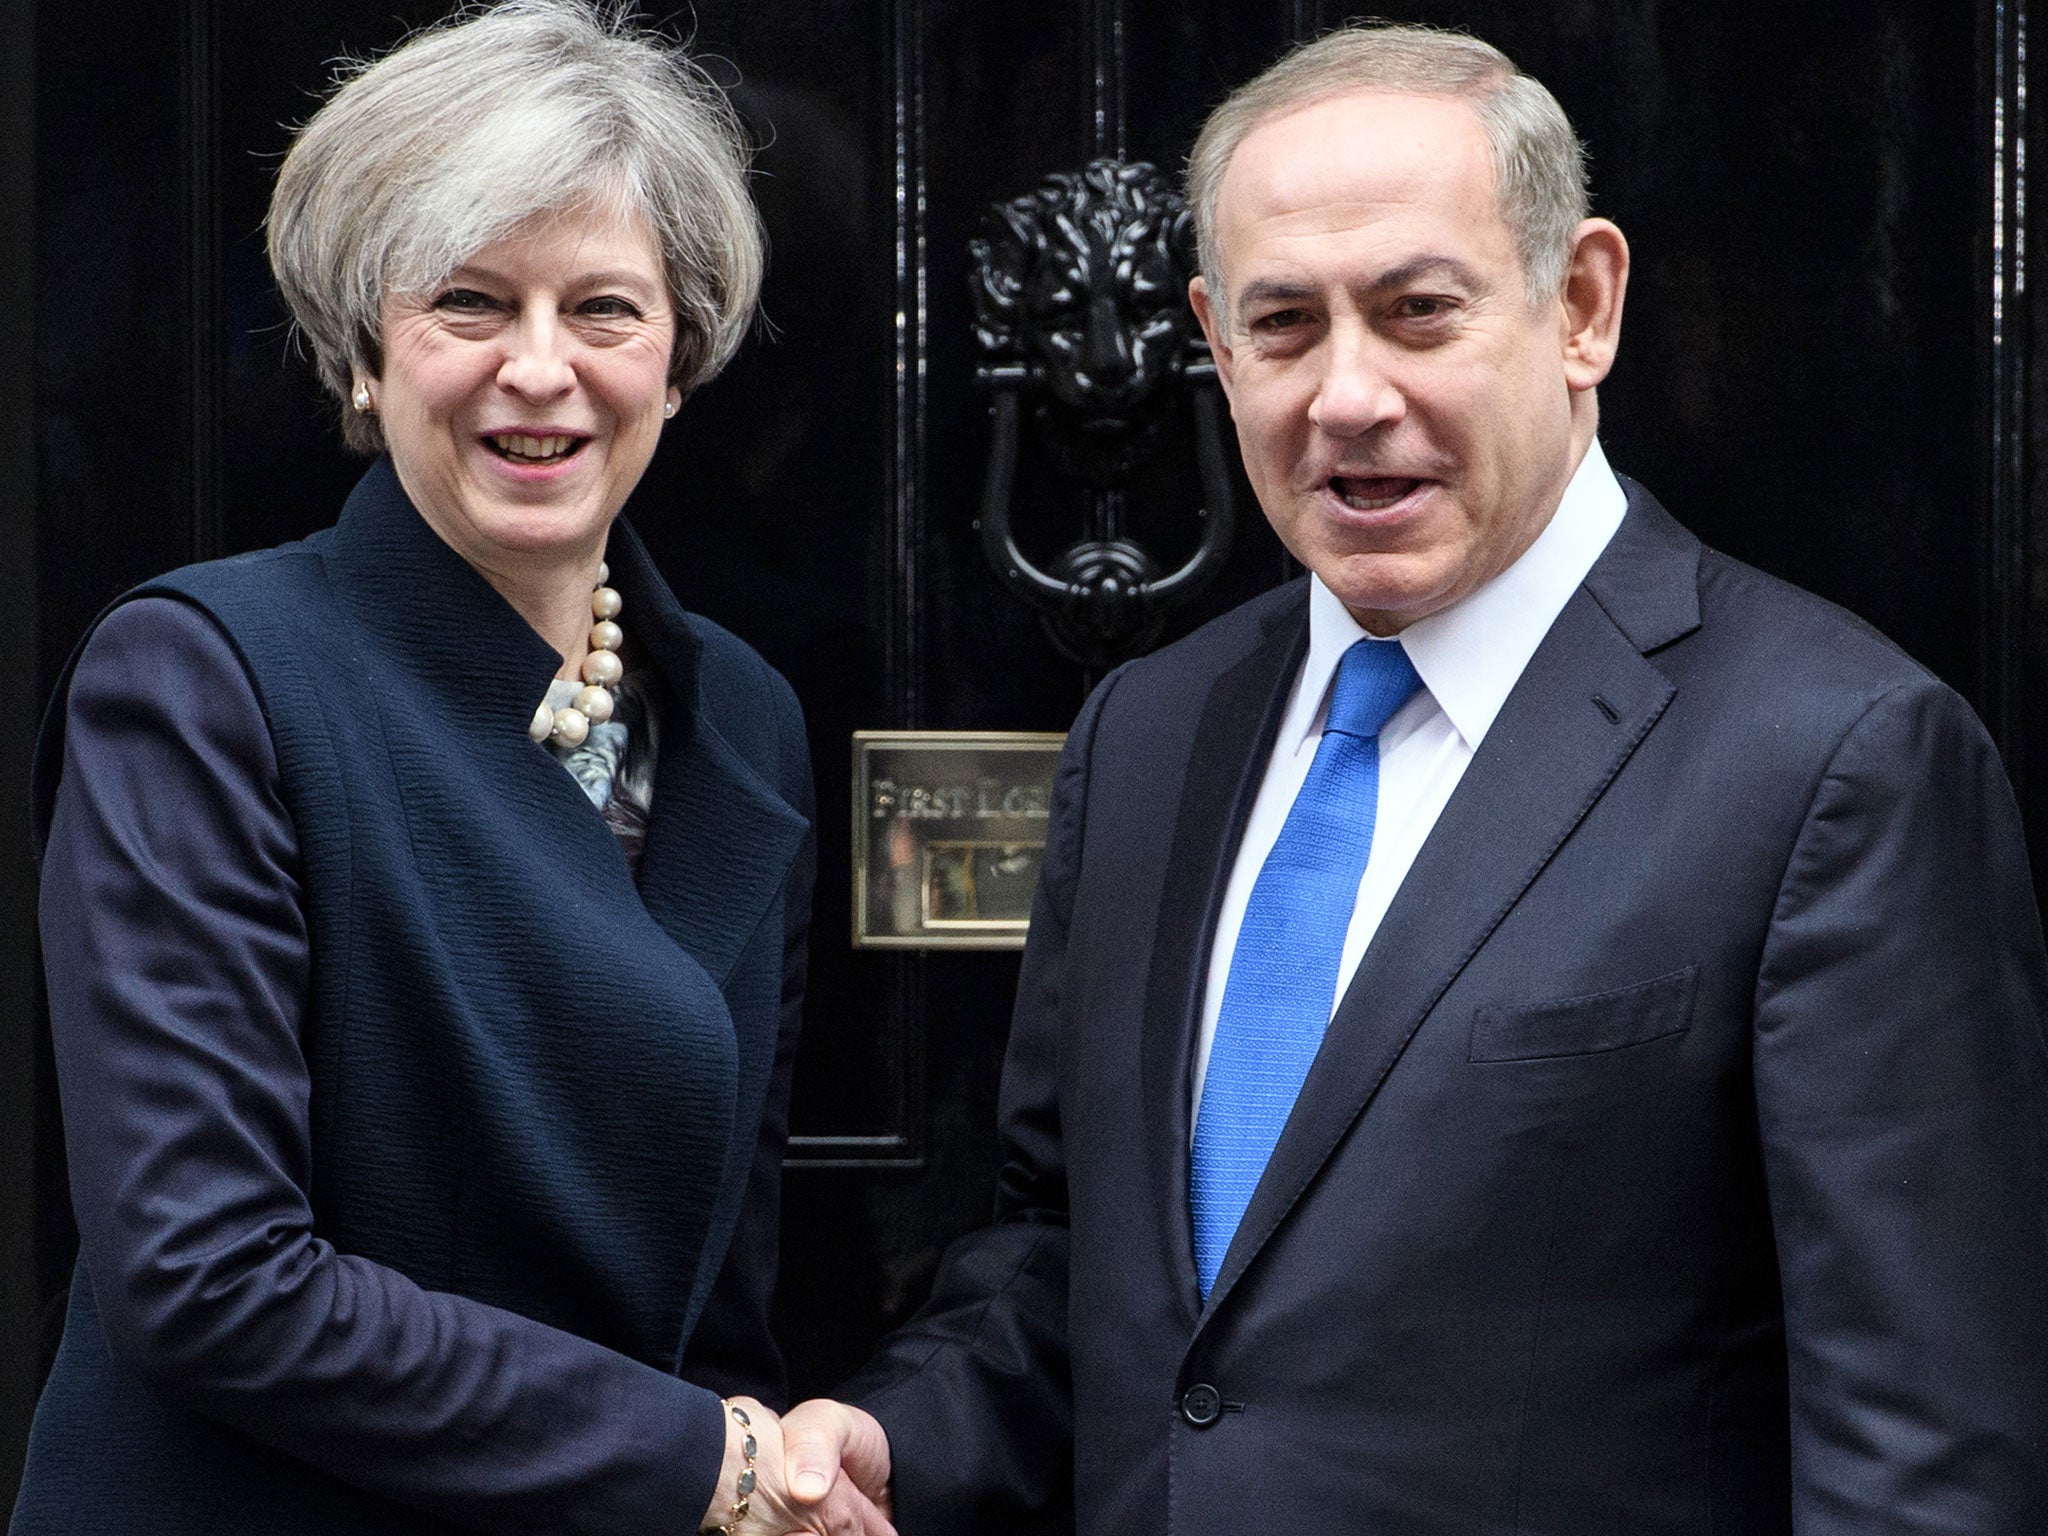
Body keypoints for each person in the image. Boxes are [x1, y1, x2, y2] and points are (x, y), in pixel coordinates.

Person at [778, 22, 2048, 1533]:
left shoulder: (1837, 758)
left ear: (1580, 305)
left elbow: (1919, 1458)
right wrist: (892, 1436)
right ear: (1212, 335)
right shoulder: (1150, 732)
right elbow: (1072, 1258)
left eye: (1417, 311)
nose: (1347, 396)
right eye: (1284, 326)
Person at [11, 4, 889, 1533]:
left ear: (679, 360)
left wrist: (776, 1462)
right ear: (364, 354)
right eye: (471, 303)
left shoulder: (737, 718)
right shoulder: (202, 679)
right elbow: (205, 1279)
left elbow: (714, 1293)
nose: (539, 370)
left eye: (604, 309)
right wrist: (706, 1464)